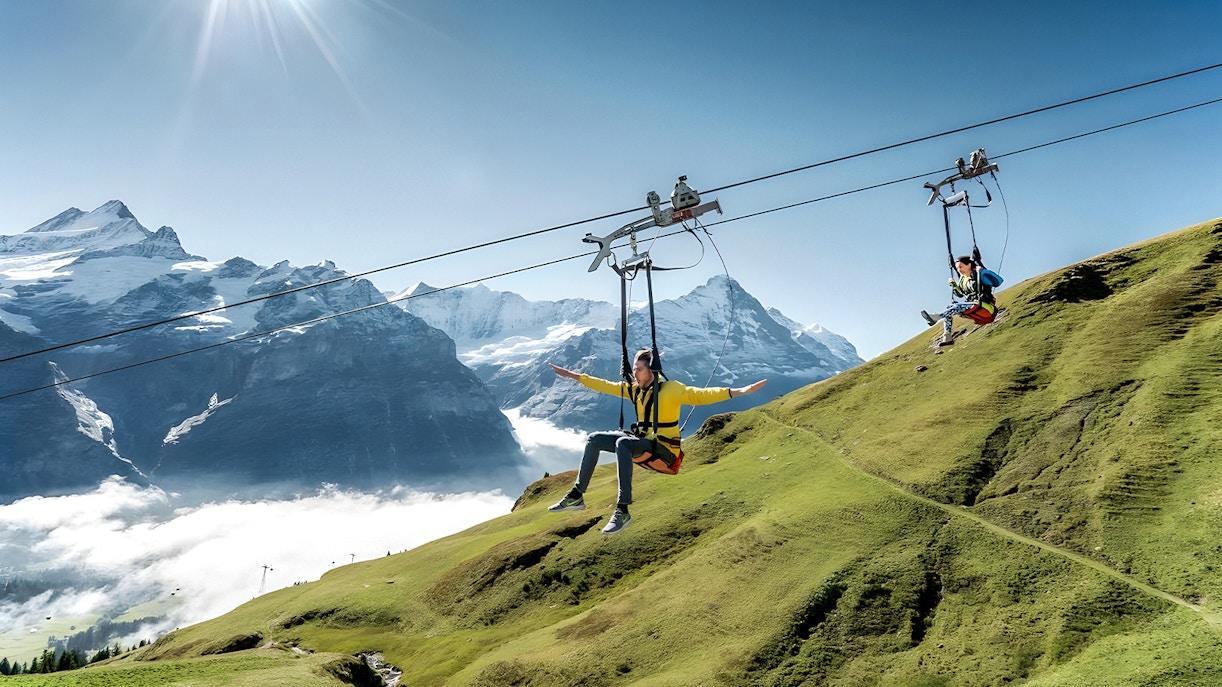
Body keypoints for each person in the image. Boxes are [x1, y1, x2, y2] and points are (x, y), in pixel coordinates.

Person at [547, 348, 766, 534]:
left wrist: (737, 392)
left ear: (651, 370)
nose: (635, 373)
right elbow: (605, 385)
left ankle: (622, 511)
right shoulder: (635, 390)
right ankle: (577, 495)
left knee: (622, 444)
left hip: (664, 449)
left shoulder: (671, 390)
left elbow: (700, 395)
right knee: (594, 439)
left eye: (639, 369)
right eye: (634, 368)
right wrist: (574, 376)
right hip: (643, 442)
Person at [921, 255, 996, 346]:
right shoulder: (962, 279)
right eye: (957, 268)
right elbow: (960, 294)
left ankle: (936, 317)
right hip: (973, 306)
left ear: (968, 265)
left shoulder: (978, 274)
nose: (959, 270)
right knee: (949, 308)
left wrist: (981, 268)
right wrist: (954, 285)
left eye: (961, 267)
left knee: (957, 306)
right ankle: (947, 336)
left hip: (984, 306)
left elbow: (995, 280)